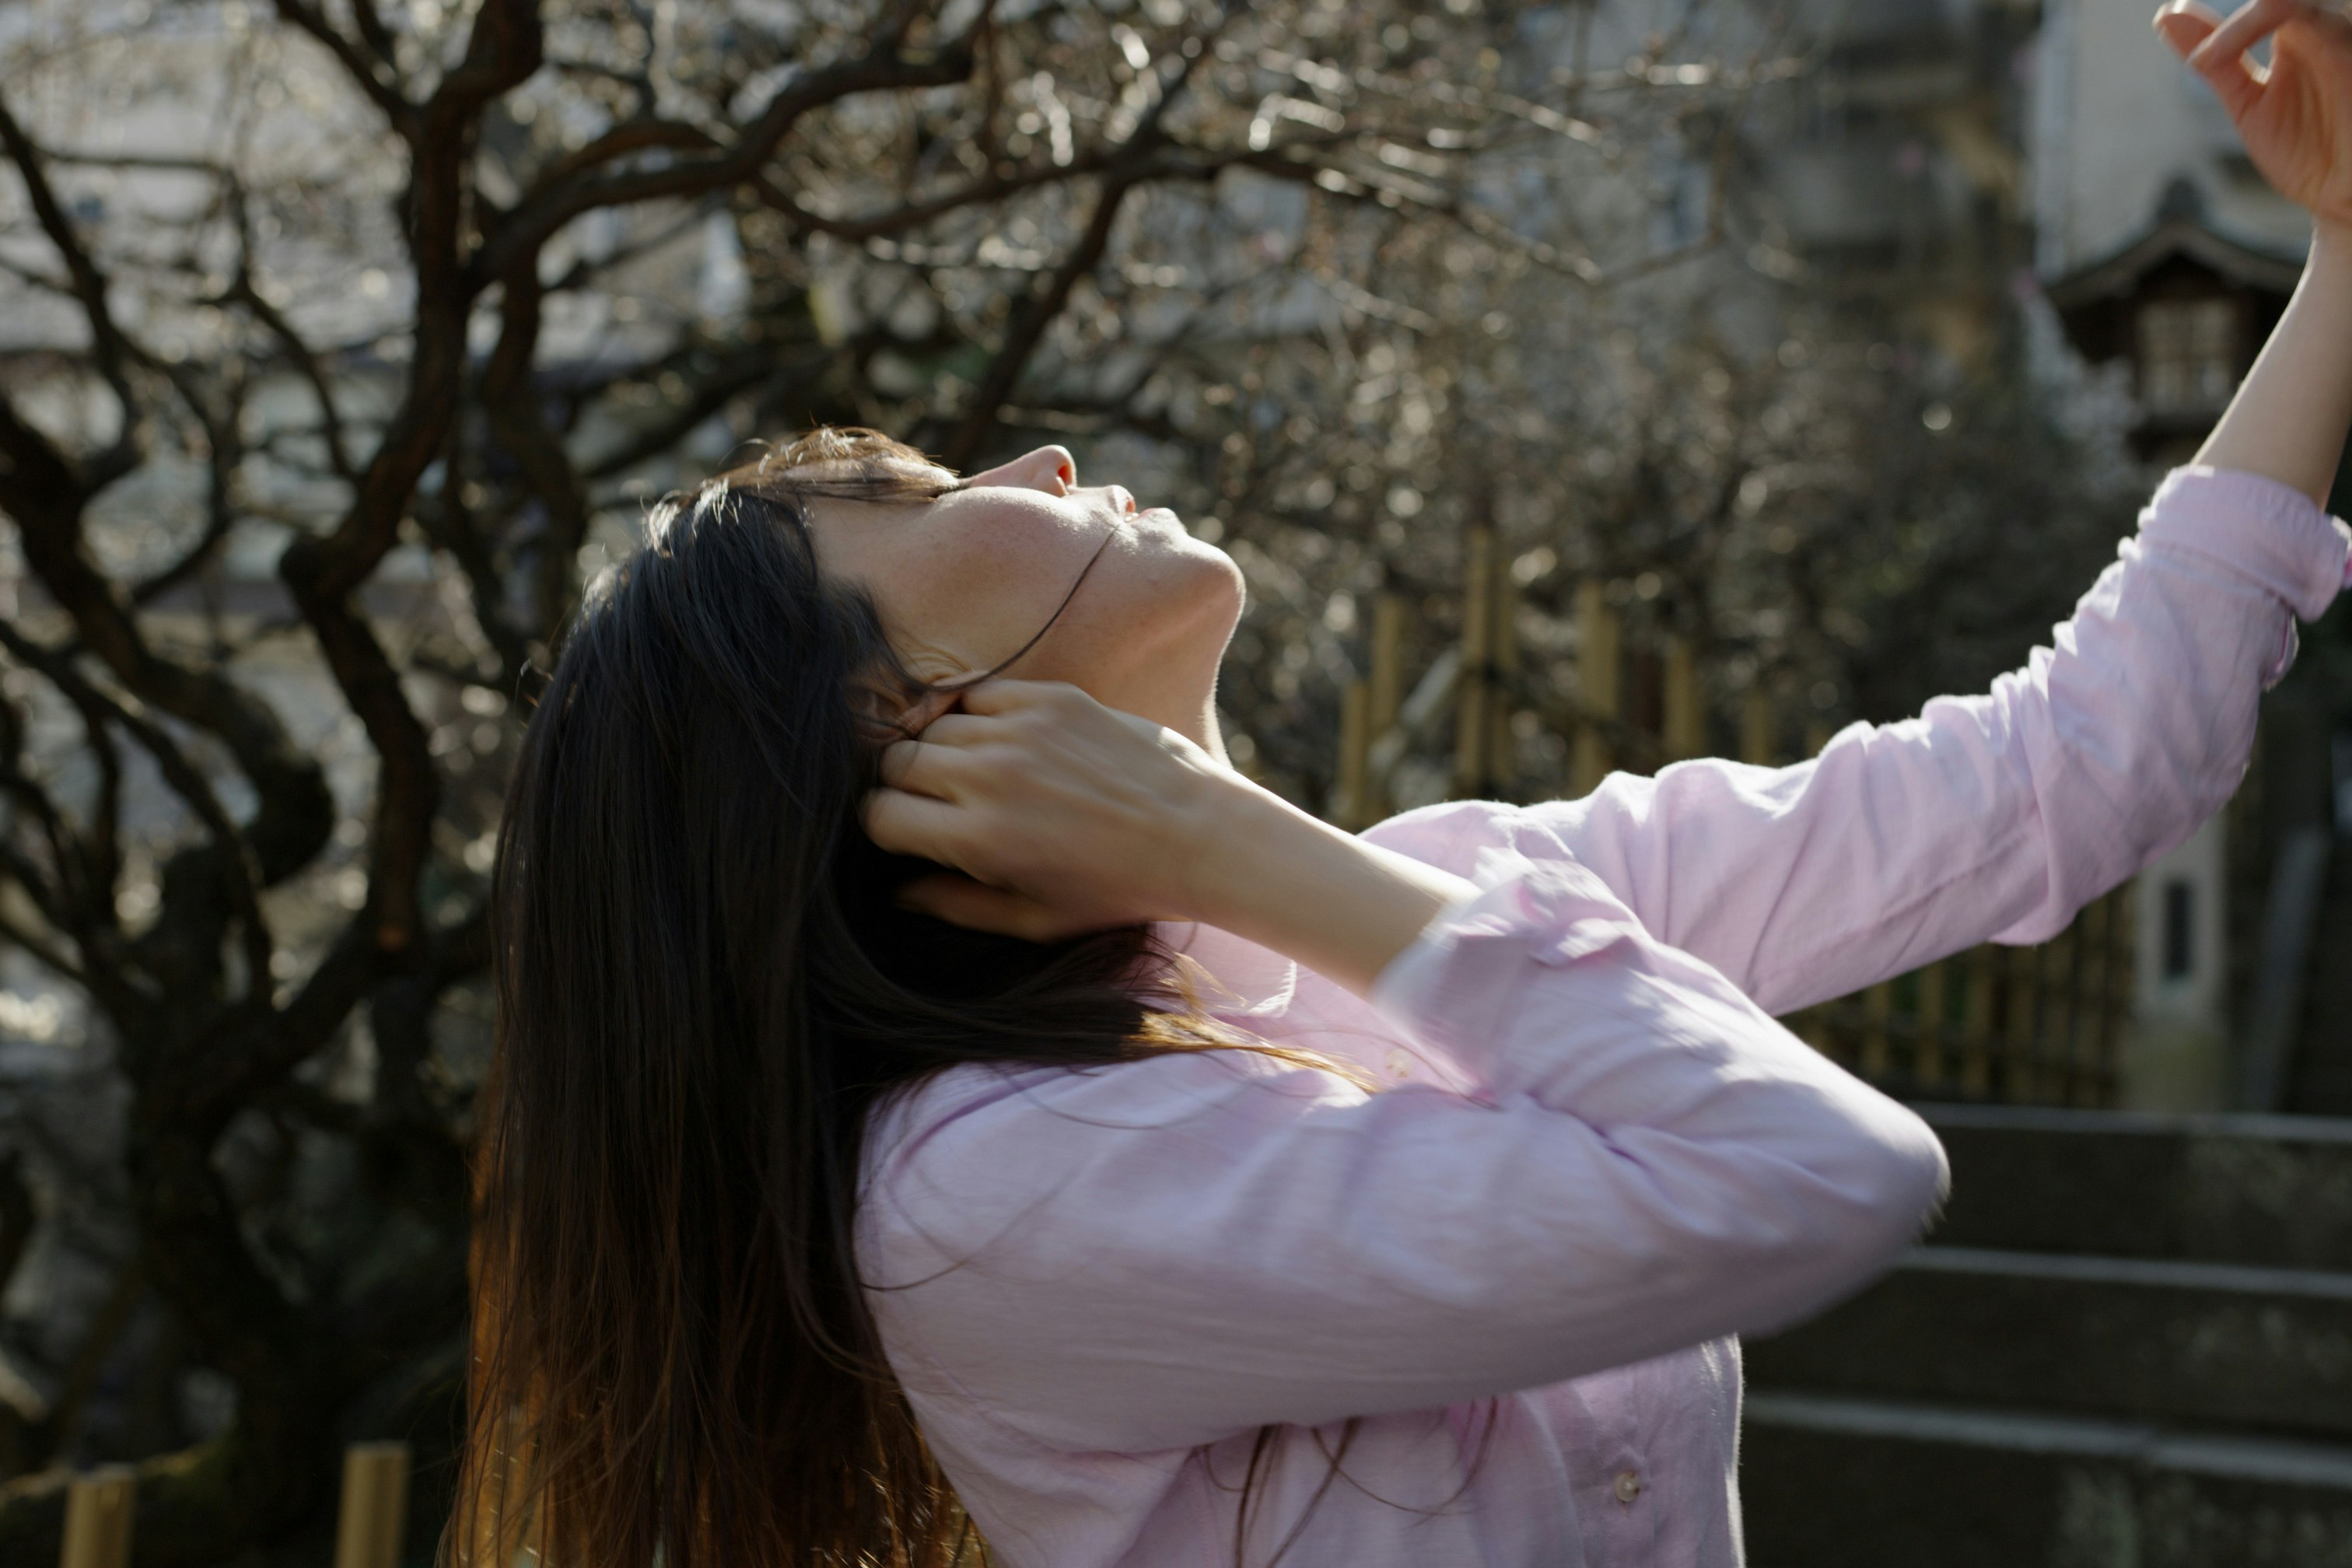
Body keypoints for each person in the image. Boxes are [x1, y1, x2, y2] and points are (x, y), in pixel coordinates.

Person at [458, 4, 2352, 1564]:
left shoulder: (1433, 897)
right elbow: (1818, 1177)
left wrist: (2347, 241)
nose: (1036, 456)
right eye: (924, 497)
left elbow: (2066, 776)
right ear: (895, 726)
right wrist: (1232, 845)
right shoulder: (976, 1190)